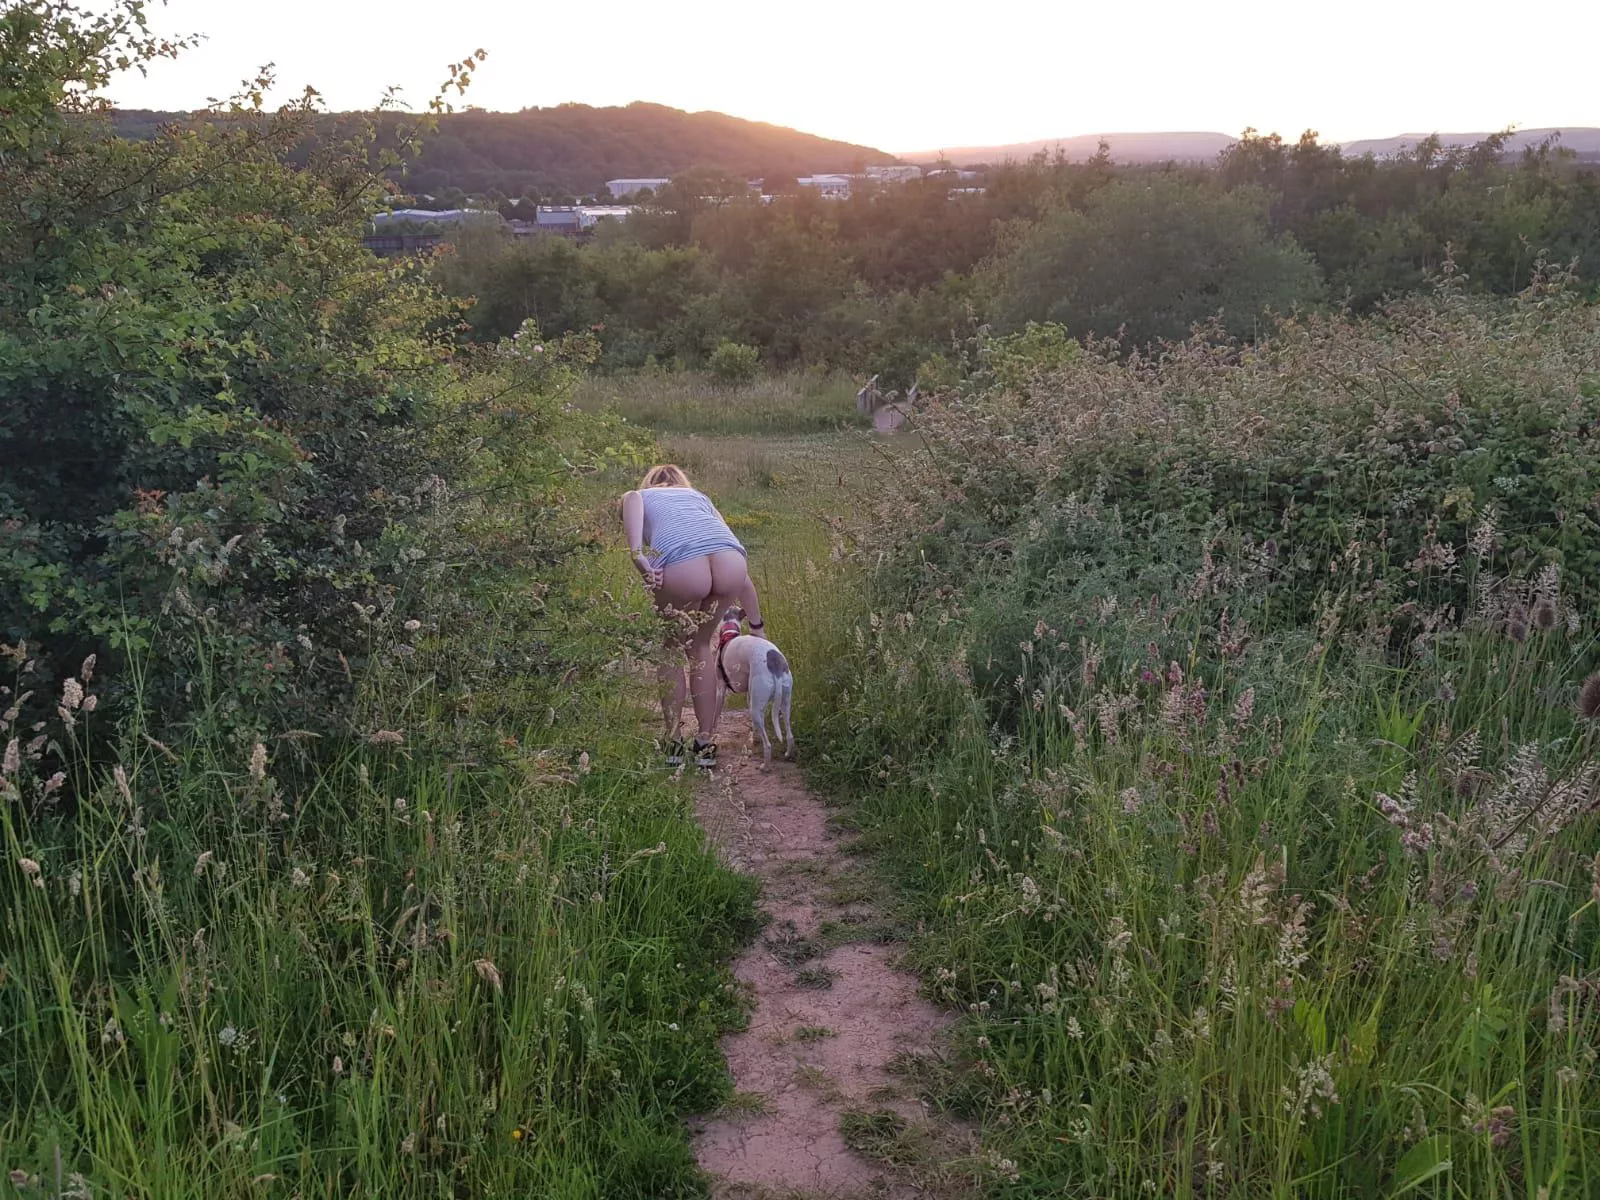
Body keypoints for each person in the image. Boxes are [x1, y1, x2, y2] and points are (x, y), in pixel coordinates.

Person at [621, 464, 765, 767]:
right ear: (681, 483)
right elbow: (745, 580)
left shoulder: (639, 495)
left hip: (684, 562)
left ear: (651, 484)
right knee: (700, 647)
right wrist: (756, 626)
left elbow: (634, 535)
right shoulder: (699, 498)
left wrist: (643, 564)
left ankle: (673, 741)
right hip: (731, 561)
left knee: (671, 650)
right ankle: (705, 743)